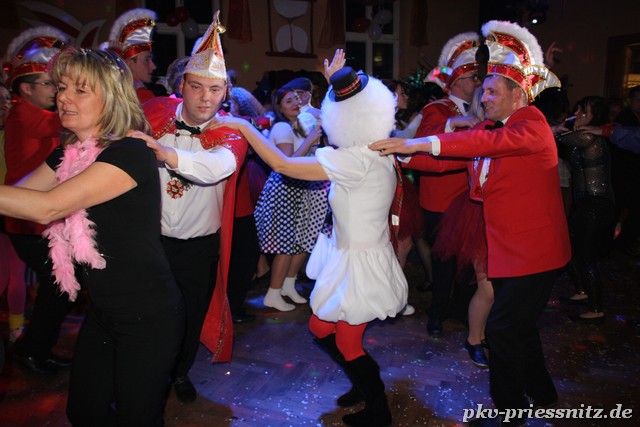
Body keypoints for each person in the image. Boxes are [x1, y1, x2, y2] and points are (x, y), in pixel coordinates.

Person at [371, 20, 571, 425]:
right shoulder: (496, 128)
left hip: (533, 253)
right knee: (519, 328)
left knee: (502, 330)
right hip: (512, 250)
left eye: (493, 91)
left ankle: (510, 413)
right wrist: (402, 155)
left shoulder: (531, 124)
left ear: (518, 95)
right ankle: (542, 395)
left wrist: (417, 140)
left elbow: (481, 143)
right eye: (484, 90)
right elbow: (451, 159)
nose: (485, 96)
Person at [212, 65, 408, 427]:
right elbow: (334, 120)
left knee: (347, 342)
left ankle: (377, 408)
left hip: (360, 264)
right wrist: (331, 92)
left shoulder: (353, 159)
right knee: (320, 328)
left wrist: (243, 126)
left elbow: (283, 164)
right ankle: (361, 380)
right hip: (353, 255)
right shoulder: (375, 147)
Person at [0, 45, 184, 426]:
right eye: (61, 87)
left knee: (138, 418)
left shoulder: (130, 153)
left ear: (111, 97)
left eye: (80, 90)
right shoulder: (68, 152)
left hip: (147, 317)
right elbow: (23, 196)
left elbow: (47, 207)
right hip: (103, 311)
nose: (63, 97)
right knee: (84, 411)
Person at [131, 11, 248, 403]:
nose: (205, 98)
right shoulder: (153, 113)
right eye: (197, 87)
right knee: (148, 311)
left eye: (215, 89)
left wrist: (166, 154)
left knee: (190, 313)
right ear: (181, 85)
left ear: (226, 92)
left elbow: (218, 167)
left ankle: (179, 372)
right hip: (151, 241)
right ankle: (146, 371)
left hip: (199, 246)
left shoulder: (232, 132)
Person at [2, 25, 73, 375]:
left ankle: (35, 348)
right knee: (59, 282)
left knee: (59, 283)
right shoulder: (23, 113)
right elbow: (61, 124)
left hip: (36, 216)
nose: (56, 91)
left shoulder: (33, 114)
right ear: (25, 89)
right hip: (25, 219)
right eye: (49, 84)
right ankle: (31, 349)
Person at [414, 32, 482, 336]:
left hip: (470, 198)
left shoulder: (480, 108)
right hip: (441, 201)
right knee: (444, 261)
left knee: (467, 261)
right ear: (455, 83)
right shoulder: (438, 109)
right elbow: (423, 138)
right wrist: (453, 124)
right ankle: (437, 313)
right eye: (472, 79)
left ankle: (460, 310)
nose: (477, 83)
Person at [252, 84, 328, 312]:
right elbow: (288, 163)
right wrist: (310, 140)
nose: (295, 103)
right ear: (280, 107)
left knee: (303, 241)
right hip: (285, 191)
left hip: (304, 189)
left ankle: (288, 285)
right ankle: (273, 293)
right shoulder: (282, 127)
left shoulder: (301, 125)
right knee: (285, 245)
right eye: (289, 101)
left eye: (296, 98)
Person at [556, 96, 614, 324]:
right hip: (588, 204)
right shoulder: (583, 136)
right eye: (578, 109)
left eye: (583, 111)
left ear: (594, 116)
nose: (577, 113)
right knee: (568, 248)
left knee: (587, 256)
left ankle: (597, 308)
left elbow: (555, 141)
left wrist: (559, 127)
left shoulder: (589, 137)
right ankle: (582, 290)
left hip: (595, 204)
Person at [0, 82, 27, 344]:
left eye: (7, 99)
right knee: (9, 272)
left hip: (13, 206)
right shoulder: (18, 126)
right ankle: (16, 329)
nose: (4, 104)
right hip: (9, 205)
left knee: (12, 271)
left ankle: (16, 327)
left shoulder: (15, 128)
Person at [102, 8, 158, 103]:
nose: (153, 66)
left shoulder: (112, 95)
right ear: (130, 64)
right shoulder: (143, 98)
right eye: (147, 60)